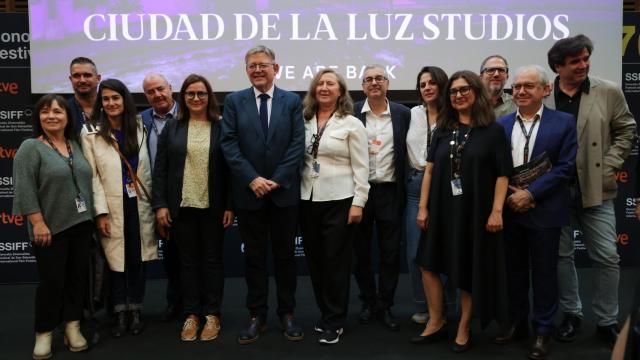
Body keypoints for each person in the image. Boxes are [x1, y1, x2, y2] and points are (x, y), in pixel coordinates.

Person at [545, 34, 636, 346]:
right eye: (575, 61)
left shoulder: (607, 90)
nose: (583, 65)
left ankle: (607, 319)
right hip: (555, 192)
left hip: (596, 190)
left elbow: (627, 129)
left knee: (607, 257)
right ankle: (571, 314)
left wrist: (609, 164)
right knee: (561, 256)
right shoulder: (544, 94)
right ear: (558, 67)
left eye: (585, 59)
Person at [414, 71, 512, 352]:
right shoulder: (443, 128)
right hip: (442, 209)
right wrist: (422, 208)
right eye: (453, 91)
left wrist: (496, 212)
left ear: (476, 92)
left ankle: (464, 326)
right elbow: (430, 170)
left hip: (475, 211)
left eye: (464, 89)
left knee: (470, 268)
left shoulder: (493, 131)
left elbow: (502, 175)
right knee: (427, 264)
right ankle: (435, 321)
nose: (458, 95)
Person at [221, 45, 305, 344]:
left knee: (285, 259)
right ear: (246, 70)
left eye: (263, 65)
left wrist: (277, 180)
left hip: (284, 195)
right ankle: (257, 315)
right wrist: (253, 179)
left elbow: (297, 143)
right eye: (252, 65)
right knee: (254, 259)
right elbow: (228, 144)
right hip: (249, 195)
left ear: (276, 68)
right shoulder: (233, 101)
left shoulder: (293, 101)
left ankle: (287, 313)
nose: (257, 70)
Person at [494, 65, 577, 360]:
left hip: (545, 209)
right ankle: (518, 324)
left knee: (544, 274)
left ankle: (543, 329)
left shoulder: (564, 122)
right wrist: (513, 197)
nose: (520, 91)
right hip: (509, 210)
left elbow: (566, 167)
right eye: (516, 86)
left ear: (545, 90)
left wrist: (531, 194)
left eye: (528, 86)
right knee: (513, 272)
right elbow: (496, 168)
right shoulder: (501, 125)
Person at [153, 74, 234, 342]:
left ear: (209, 97)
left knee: (212, 262)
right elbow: (161, 170)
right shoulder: (172, 128)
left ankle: (212, 314)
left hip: (213, 206)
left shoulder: (222, 127)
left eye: (201, 94)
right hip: (181, 207)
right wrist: (161, 205)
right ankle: (192, 315)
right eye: (190, 94)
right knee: (186, 263)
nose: (196, 98)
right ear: (183, 98)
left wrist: (230, 205)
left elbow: (231, 171)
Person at [13, 95, 94, 360]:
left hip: (81, 224)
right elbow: (24, 188)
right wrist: (37, 222)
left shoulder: (75, 144)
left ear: (67, 117)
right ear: (38, 117)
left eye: (58, 111)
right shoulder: (30, 148)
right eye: (46, 112)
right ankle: (44, 333)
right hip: (50, 228)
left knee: (76, 280)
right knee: (51, 283)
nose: (52, 116)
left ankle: (72, 327)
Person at [80, 79, 157, 338]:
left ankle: (135, 310)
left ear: (125, 100)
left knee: (137, 257)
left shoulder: (139, 126)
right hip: (111, 205)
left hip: (139, 203)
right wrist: (100, 212)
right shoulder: (90, 131)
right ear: (101, 103)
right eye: (106, 99)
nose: (111, 103)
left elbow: (146, 169)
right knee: (116, 261)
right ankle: (119, 312)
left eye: (116, 98)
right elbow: (92, 176)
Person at [300, 69, 369, 345]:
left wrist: (359, 202)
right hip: (307, 199)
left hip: (340, 201)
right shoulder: (303, 121)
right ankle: (326, 313)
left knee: (335, 264)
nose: (324, 87)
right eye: (320, 83)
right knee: (316, 262)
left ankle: (335, 320)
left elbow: (362, 167)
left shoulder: (352, 123)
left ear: (341, 91)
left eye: (331, 83)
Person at [353, 65, 411, 331]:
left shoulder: (404, 114)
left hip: (390, 190)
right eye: (369, 80)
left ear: (387, 83)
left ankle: (385, 304)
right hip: (358, 192)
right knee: (360, 251)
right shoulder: (352, 112)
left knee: (390, 252)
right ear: (363, 86)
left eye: (379, 78)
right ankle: (368, 301)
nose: (374, 83)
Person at [405, 66, 448, 325]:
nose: (427, 88)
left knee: (446, 250)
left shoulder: (454, 115)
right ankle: (423, 306)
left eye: (432, 83)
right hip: (415, 184)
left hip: (445, 187)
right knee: (414, 252)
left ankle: (448, 306)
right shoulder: (412, 114)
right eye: (422, 84)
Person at [140, 72, 181, 322]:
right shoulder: (141, 120)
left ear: (170, 88)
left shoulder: (190, 114)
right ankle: (175, 303)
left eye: (160, 89)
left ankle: (197, 305)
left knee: (193, 255)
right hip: (155, 198)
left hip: (187, 196)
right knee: (172, 256)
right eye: (150, 92)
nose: (157, 95)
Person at [67, 57, 101, 133]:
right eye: (76, 76)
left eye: (87, 75)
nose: (82, 80)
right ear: (71, 79)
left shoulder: (110, 107)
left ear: (98, 78)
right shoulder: (64, 110)